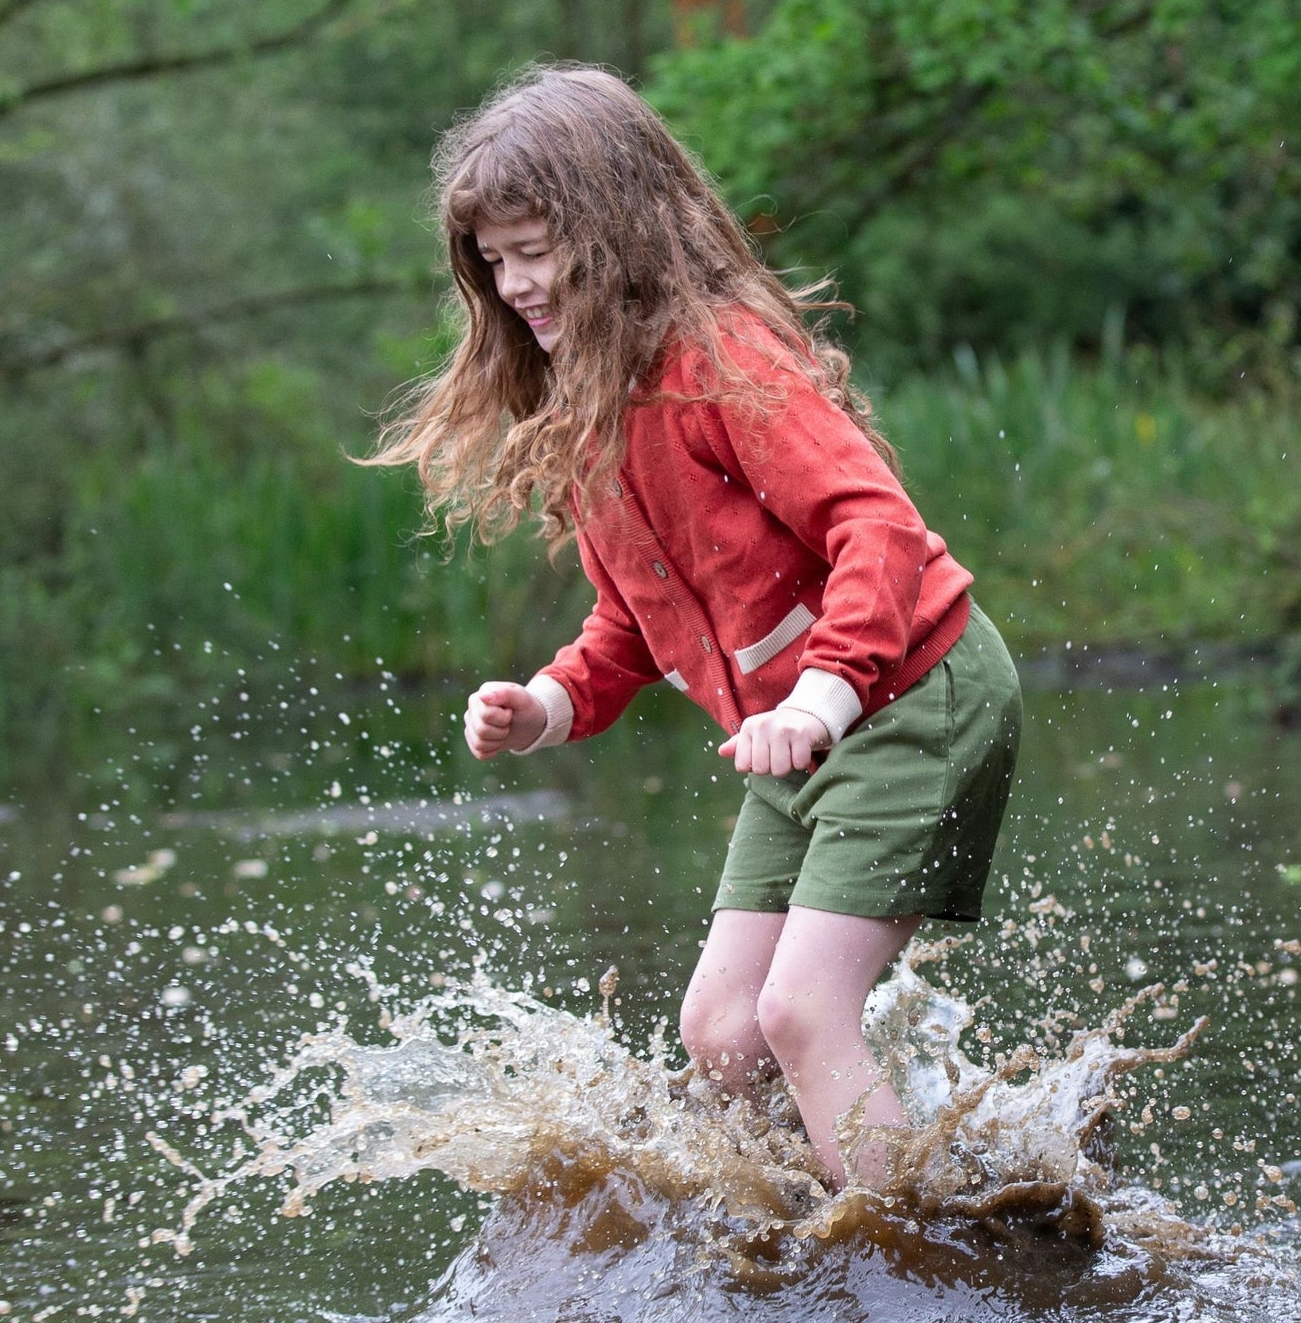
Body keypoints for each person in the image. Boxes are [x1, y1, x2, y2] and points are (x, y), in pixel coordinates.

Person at [369, 64, 1022, 1190]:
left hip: (911, 697)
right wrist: (551, 703)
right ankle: (837, 1225)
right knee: (722, 1034)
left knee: (800, 1011)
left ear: (617, 225)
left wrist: (820, 699)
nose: (515, 283)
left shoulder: (718, 360)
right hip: (805, 731)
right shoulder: (585, 403)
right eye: (494, 260)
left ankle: (928, 1263)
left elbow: (881, 527)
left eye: (538, 250)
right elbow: (636, 612)